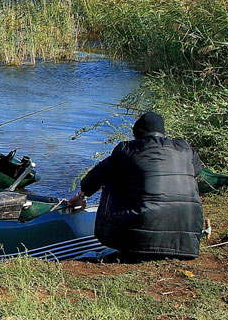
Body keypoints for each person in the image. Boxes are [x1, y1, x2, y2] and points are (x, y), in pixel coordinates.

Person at [68, 111, 203, 261]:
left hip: (137, 242)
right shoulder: (186, 149)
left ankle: (120, 239)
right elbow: (197, 171)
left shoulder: (126, 150)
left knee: (111, 179)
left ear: (136, 134)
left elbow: (95, 176)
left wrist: (81, 196)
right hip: (187, 242)